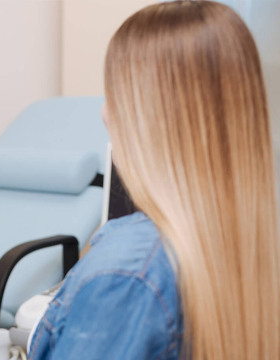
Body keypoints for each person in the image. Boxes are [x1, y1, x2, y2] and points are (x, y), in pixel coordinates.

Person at [29, 1, 280, 359]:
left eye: (116, 94)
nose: (104, 113)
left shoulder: (128, 273)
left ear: (150, 117)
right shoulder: (250, 246)